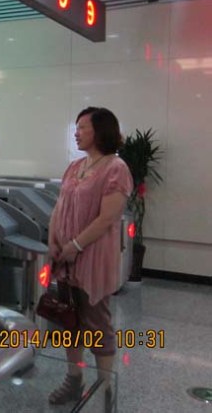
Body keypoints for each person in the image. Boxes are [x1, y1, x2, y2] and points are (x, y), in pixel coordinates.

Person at [47, 107, 133, 408]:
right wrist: (53, 239)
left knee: (97, 323)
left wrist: (76, 244)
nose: (77, 132)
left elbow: (107, 217)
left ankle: (106, 387)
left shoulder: (116, 168)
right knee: (69, 319)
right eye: (77, 127)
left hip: (91, 259)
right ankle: (74, 380)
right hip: (65, 260)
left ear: (100, 130)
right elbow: (60, 205)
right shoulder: (75, 166)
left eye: (82, 127)